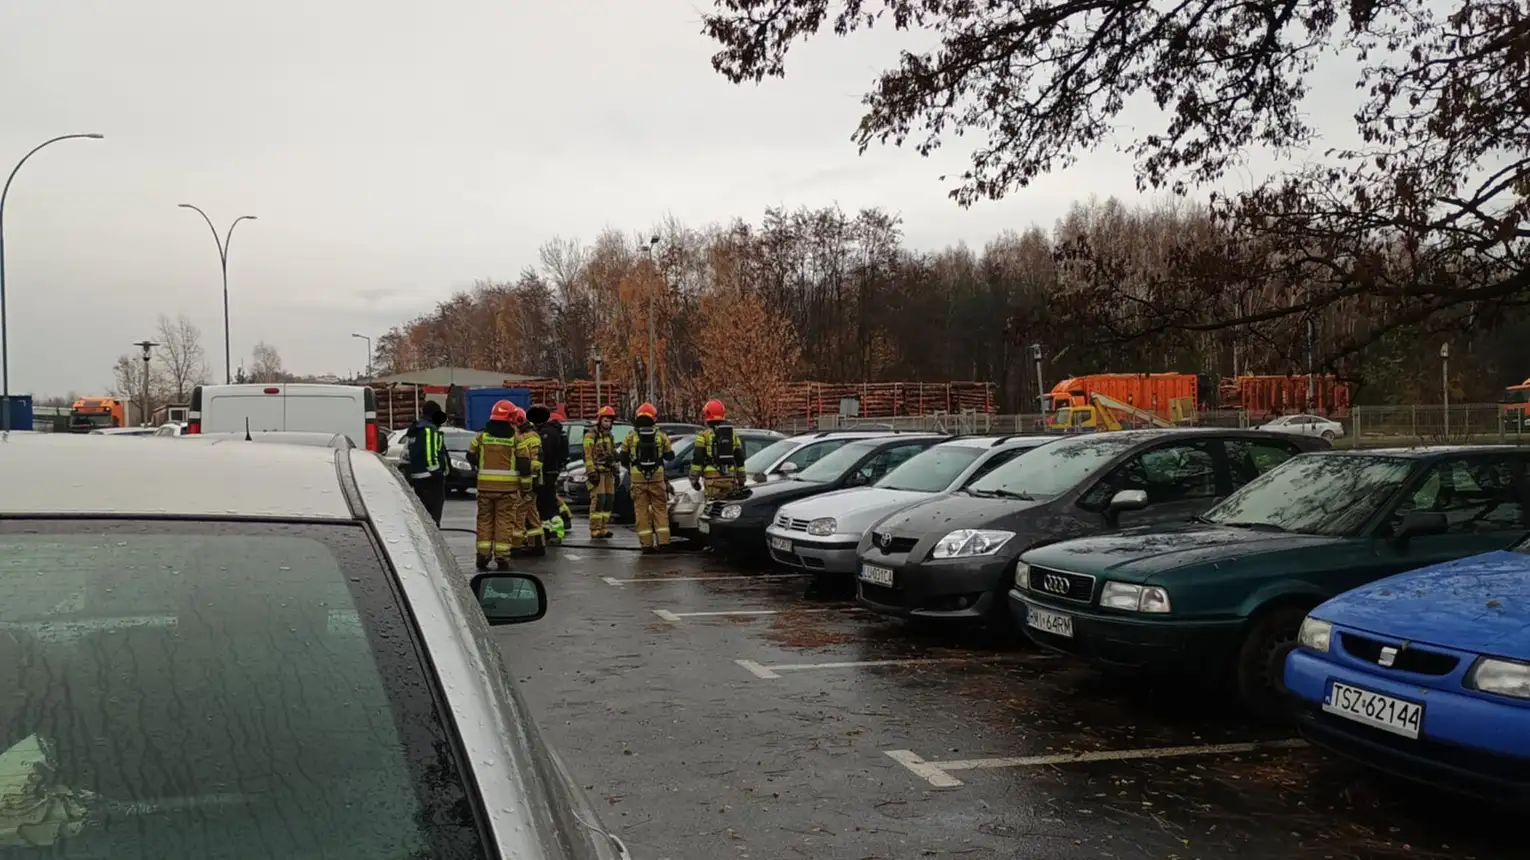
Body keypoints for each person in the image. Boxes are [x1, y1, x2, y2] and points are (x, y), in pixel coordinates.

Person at [467, 400, 522, 570]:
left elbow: (470, 456)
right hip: (508, 490)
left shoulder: (481, 436)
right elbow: (525, 464)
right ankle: (502, 557)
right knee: (504, 522)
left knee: (484, 521)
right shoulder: (516, 438)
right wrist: (526, 486)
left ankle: (482, 555)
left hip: (485, 488)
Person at [620, 402, 675, 552]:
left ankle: (646, 544)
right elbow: (670, 456)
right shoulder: (661, 436)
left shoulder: (630, 437)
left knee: (641, 511)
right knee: (660, 509)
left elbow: (623, 457)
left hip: (638, 478)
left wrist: (632, 468)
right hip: (657, 477)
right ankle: (664, 542)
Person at [527, 404, 568, 545]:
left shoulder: (547, 434)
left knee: (548, 505)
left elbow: (544, 453)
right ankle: (548, 532)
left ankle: (556, 533)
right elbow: (564, 454)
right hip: (552, 472)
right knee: (544, 505)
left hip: (545, 473)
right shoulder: (557, 432)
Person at [404, 403, 450, 526]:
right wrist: (438, 474)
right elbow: (430, 455)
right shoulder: (429, 430)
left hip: (418, 478)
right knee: (433, 519)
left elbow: (408, 455)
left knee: (422, 517)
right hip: (431, 480)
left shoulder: (415, 430)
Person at [691, 398, 745, 500]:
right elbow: (740, 459)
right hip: (730, 478)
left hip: (712, 478)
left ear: (707, 414)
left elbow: (697, 458)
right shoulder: (733, 435)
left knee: (712, 508)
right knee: (728, 509)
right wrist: (742, 480)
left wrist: (694, 480)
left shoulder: (703, 435)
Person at [583, 405, 620, 539]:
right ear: (600, 420)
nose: (608, 423)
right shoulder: (591, 435)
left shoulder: (609, 436)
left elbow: (612, 452)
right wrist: (591, 472)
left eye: (609, 421)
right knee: (598, 500)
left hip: (608, 472)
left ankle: (604, 527)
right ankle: (595, 528)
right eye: (605, 420)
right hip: (598, 472)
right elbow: (588, 455)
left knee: (608, 500)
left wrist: (616, 458)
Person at [513, 405, 546, 557]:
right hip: (530, 482)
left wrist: (529, 482)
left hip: (529, 482)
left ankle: (516, 546)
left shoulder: (530, 436)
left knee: (519, 512)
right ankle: (537, 544)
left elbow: (535, 461)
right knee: (532, 513)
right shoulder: (526, 435)